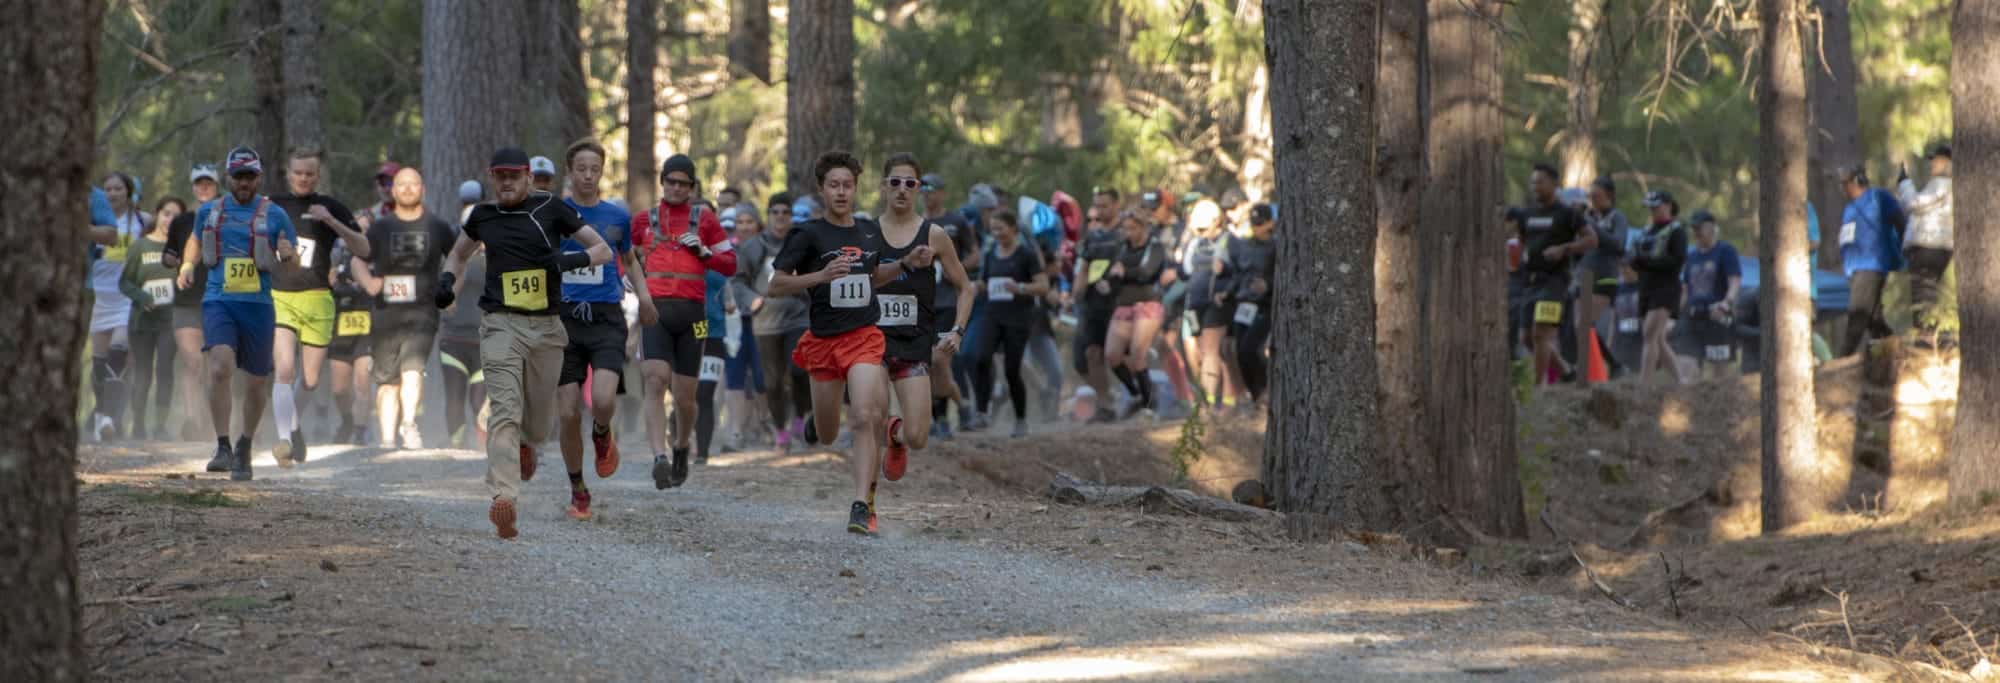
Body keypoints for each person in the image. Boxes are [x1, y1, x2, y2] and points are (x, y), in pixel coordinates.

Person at [436, 146, 612, 539]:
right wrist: (447, 282)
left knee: (537, 420)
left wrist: (566, 262)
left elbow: (602, 250)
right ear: (491, 178)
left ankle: (528, 446)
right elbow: (458, 255)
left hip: (547, 328)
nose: (507, 182)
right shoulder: (482, 216)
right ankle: (505, 498)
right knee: (503, 410)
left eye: (514, 175)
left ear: (529, 178)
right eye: (500, 176)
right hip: (500, 323)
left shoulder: (551, 209)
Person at [768, 150, 936, 534]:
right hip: (824, 340)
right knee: (828, 434)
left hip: (863, 337)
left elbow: (874, 276)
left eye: (847, 185)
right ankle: (817, 416)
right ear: (822, 189)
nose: (842, 192)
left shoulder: (867, 232)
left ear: (856, 188)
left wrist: (907, 264)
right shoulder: (807, 233)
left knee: (864, 416)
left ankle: (863, 505)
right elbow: (776, 285)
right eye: (834, 185)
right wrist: (820, 276)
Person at [543, 139, 653, 518]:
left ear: (602, 172)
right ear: (570, 172)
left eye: (595, 169)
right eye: (581, 169)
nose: (589, 176)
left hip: (607, 315)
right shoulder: (555, 213)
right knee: (569, 411)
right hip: (565, 317)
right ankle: (578, 490)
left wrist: (646, 296)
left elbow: (630, 261)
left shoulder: (616, 216)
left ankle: (603, 434)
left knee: (603, 401)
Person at [186, 146, 300, 480]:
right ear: (228, 178)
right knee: (220, 366)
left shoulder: (275, 214)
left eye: (249, 176)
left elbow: (293, 269)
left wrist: (289, 256)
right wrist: (186, 265)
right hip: (218, 300)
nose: (244, 183)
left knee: (255, 382)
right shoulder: (209, 211)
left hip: (259, 305)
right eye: (238, 177)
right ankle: (222, 445)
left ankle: (245, 445)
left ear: (259, 177)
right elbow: (195, 240)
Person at [632, 154, 737, 489]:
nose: (676, 188)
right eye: (671, 181)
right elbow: (624, 259)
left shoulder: (705, 219)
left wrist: (705, 253)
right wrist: (633, 284)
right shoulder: (643, 220)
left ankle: (680, 447)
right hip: (656, 311)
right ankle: (659, 457)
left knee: (686, 397)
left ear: (692, 187)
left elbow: (730, 264)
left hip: (696, 317)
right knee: (654, 379)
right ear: (662, 182)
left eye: (683, 183)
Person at [268, 147, 371, 467]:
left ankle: (293, 426)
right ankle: (286, 437)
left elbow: (364, 248)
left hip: (317, 299)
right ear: (288, 173)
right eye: (298, 172)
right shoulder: (273, 205)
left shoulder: (331, 206)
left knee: (310, 380)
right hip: (280, 295)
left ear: (318, 175)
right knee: (284, 370)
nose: (303, 178)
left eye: (309, 173)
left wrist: (333, 223)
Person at [874, 155, 973, 477]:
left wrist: (957, 331)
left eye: (910, 183)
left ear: (918, 189)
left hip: (915, 340)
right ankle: (864, 501)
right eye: (895, 182)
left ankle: (896, 434)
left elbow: (965, 288)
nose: (902, 189)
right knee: (869, 415)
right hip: (872, 340)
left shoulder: (935, 234)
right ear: (883, 186)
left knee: (918, 437)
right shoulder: (865, 232)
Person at [349, 167, 455, 449]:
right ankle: (386, 439)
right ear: (393, 191)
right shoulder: (381, 228)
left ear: (423, 189)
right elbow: (357, 259)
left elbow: (459, 258)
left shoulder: (437, 227)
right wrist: (368, 281)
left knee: (413, 368)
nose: (408, 189)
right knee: (386, 381)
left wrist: (451, 291)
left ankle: (409, 424)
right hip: (385, 314)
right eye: (402, 185)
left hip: (423, 312)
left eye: (413, 184)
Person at [742, 193, 813, 451]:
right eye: (775, 212)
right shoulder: (753, 246)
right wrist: (750, 299)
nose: (781, 217)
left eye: (786, 212)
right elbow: (738, 280)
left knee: (799, 369)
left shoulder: (802, 244)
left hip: (798, 316)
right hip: (766, 321)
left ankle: (799, 416)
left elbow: (817, 275)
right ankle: (781, 428)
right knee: (771, 382)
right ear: (768, 215)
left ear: (792, 216)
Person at [972, 209, 1050, 436]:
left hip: (1018, 317)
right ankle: (981, 412)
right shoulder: (990, 253)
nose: (996, 234)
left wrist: (1022, 288)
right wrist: (975, 287)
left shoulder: (1026, 254)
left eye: (1001, 229)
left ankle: (1020, 419)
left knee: (1011, 370)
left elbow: (1043, 286)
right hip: (992, 314)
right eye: (993, 229)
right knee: (981, 358)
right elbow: (985, 282)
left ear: (1013, 229)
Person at [1517, 163, 1594, 387]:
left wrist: (1564, 249)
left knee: (1542, 333)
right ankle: (1566, 371)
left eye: (1540, 182)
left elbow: (1591, 239)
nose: (1535, 187)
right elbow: (1522, 242)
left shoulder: (1568, 214)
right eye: (1533, 183)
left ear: (1553, 184)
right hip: (1531, 281)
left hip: (1555, 282)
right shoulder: (1527, 214)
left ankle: (1537, 388)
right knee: (1527, 338)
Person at [161, 164, 221, 440]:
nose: (204, 188)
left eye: (208, 183)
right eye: (199, 183)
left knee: (216, 365)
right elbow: (169, 254)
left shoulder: (228, 217)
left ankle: (214, 421)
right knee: (192, 362)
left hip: (220, 297)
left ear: (217, 186)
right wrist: (172, 261)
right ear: (193, 187)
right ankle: (191, 421)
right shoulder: (182, 221)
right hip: (187, 300)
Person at [118, 196, 185, 440]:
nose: (170, 220)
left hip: (170, 320)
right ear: (157, 214)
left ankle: (160, 426)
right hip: (141, 322)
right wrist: (142, 297)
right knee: (143, 372)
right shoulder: (140, 246)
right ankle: (138, 425)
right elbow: (124, 282)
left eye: (176, 216)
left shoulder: (182, 247)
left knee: (165, 370)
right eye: (166, 214)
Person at [91, 171, 151, 440]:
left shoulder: (142, 221)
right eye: (107, 189)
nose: (112, 193)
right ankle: (101, 416)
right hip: (97, 295)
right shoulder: (93, 221)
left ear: (128, 192)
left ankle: (110, 418)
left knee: (119, 349)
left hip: (126, 296)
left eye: (117, 188)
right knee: (99, 362)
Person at [1098, 208, 1170, 419]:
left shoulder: (1154, 246)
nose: (1128, 233)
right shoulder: (1122, 247)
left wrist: (1125, 272)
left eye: (1132, 228)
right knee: (1112, 355)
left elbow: (1147, 272)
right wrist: (1107, 283)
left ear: (1143, 227)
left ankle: (1149, 405)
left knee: (1139, 352)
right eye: (1125, 228)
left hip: (1147, 303)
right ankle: (1136, 393)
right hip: (1124, 304)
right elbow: (1113, 271)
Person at [920, 174, 976, 438]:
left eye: (932, 189)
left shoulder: (956, 221)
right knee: (924, 365)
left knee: (939, 361)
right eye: (923, 189)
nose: (927, 194)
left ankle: (961, 404)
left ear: (942, 192)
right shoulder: (914, 224)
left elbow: (975, 253)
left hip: (947, 303)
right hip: (921, 304)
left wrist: (954, 269)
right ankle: (940, 419)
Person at [1836, 165, 1907, 357]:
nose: (1843, 189)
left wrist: (1904, 246)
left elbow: (1900, 220)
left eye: (1846, 184)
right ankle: (1894, 351)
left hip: (1871, 265)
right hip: (1855, 269)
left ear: (1858, 181)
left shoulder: (1878, 197)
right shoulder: (1849, 208)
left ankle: (1841, 360)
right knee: (1874, 321)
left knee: (1857, 315)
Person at [1071, 188, 1124, 422]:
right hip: (1093, 303)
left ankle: (1139, 396)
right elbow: (1084, 266)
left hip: (1119, 302)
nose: (1100, 210)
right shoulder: (1092, 236)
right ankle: (1105, 404)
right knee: (1092, 353)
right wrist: (1077, 291)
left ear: (1116, 205)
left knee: (1120, 355)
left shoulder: (1125, 232)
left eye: (1105, 206)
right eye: (1097, 206)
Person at [1217, 204, 1276, 405]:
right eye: (1254, 223)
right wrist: (1228, 292)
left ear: (1270, 223)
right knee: (1240, 352)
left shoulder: (1277, 246)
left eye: (1261, 223)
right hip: (1243, 304)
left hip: (1264, 306)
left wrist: (1268, 285)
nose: (1257, 228)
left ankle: (1267, 389)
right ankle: (1256, 395)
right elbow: (1239, 274)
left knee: (1251, 349)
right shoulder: (1246, 245)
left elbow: (1286, 277)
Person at [1630, 191, 1690, 385]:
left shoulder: (1677, 231)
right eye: (1650, 207)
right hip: (1645, 287)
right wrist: (1634, 261)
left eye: (1656, 206)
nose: (1652, 211)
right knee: (1657, 339)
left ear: (1668, 206)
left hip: (1665, 287)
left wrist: (1646, 261)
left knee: (1649, 334)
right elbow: (1634, 257)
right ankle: (1681, 380)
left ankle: (1644, 384)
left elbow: (1677, 261)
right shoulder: (1645, 231)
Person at [720, 204, 767, 451]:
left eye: (750, 221)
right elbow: (730, 283)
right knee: (735, 376)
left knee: (762, 377)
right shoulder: (730, 251)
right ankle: (736, 432)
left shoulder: (768, 248)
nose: (745, 226)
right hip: (736, 320)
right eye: (741, 222)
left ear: (759, 224)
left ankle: (765, 425)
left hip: (765, 320)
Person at [1178, 196, 1231, 410]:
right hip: (1194, 301)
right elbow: (1185, 271)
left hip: (1215, 302)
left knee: (1210, 349)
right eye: (1198, 229)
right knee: (1194, 348)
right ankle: (1202, 393)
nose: (1202, 232)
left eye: (1205, 227)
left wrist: (1225, 275)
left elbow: (1238, 268)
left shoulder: (1228, 240)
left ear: (1216, 221)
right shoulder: (1193, 243)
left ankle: (1208, 399)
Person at [1577, 176, 1630, 379]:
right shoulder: (1588, 215)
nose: (1593, 199)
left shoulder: (1617, 218)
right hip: (1584, 273)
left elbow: (1618, 244)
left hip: (1605, 275)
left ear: (1609, 195)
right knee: (1579, 325)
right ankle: (1600, 368)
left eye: (1596, 195)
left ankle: (1610, 366)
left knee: (1584, 322)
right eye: (1590, 195)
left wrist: (1591, 225)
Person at [438, 241, 489, 449]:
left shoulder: (494, 261)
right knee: (458, 397)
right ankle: (460, 443)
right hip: (455, 340)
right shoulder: (451, 264)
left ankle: (472, 444)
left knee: (467, 399)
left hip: (480, 342)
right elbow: (444, 301)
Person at [1898, 144, 1953, 335]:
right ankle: (1929, 335)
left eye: (1936, 160)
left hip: (1928, 247)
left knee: (1923, 295)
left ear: (1947, 162)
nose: (1932, 164)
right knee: (1926, 293)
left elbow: (1915, 203)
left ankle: (1926, 338)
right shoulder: (1943, 186)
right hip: (1936, 248)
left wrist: (1904, 184)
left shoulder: (1941, 184)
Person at [325, 234, 374, 445]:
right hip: (340, 333)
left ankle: (361, 430)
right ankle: (347, 420)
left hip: (366, 333)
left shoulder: (375, 265)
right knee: (339, 389)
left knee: (362, 383)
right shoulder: (336, 266)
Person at [1681, 210, 1742, 378]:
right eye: (1694, 228)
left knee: (1719, 371)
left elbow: (1734, 280)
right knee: (1687, 364)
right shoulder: (1691, 256)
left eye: (1700, 227)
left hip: (1717, 316)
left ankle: (1723, 401)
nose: (1696, 232)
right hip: (1693, 317)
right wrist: (1675, 314)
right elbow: (1685, 289)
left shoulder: (1725, 251)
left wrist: (1727, 303)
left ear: (1713, 228)